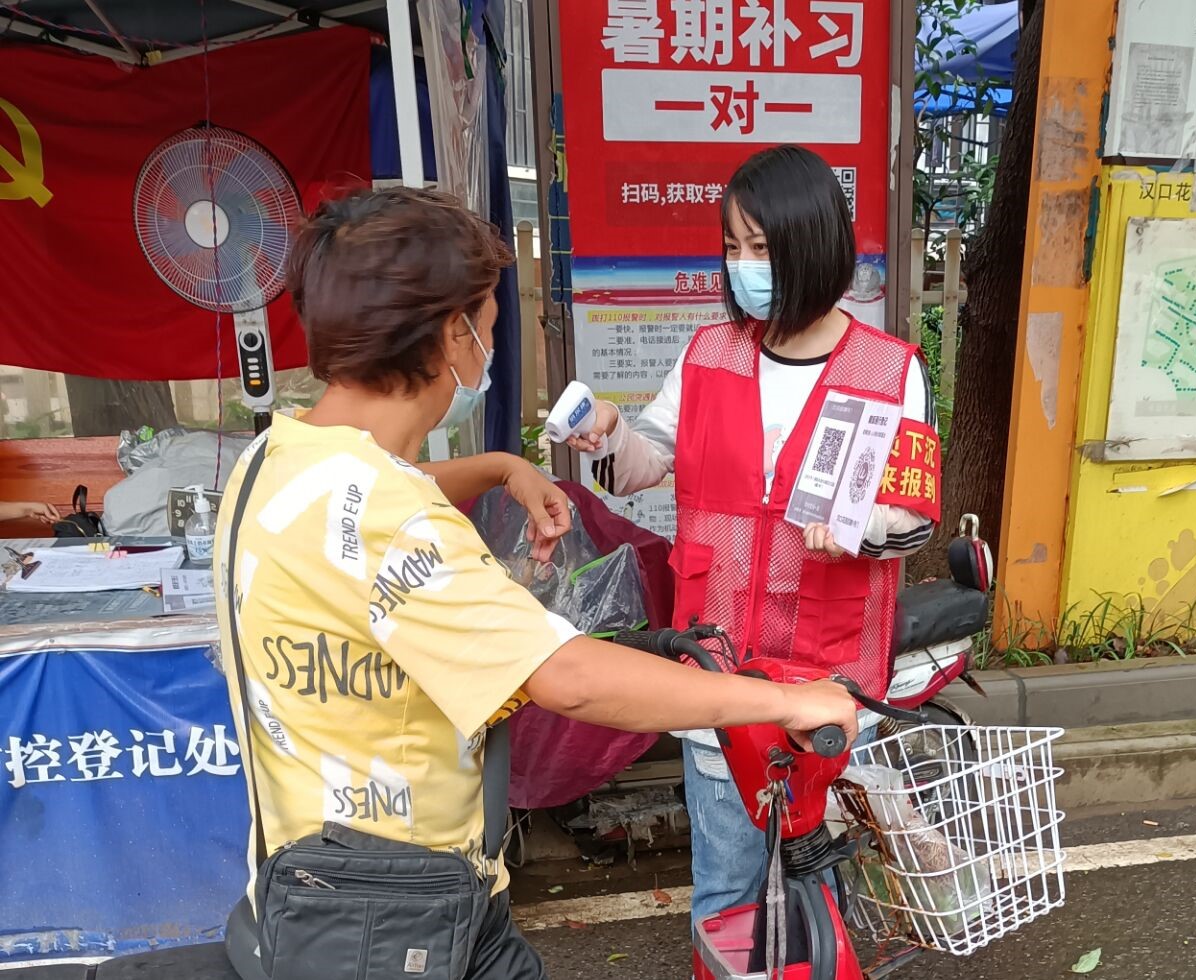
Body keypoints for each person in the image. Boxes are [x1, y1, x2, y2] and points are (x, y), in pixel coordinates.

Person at [214, 186, 857, 979]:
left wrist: (500, 468)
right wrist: (786, 701)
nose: (489, 343)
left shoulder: (274, 463)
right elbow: (571, 678)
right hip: (394, 911)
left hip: (312, 877)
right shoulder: (393, 516)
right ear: (453, 336)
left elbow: (366, 495)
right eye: (487, 325)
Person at [566, 145, 944, 927]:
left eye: (761, 248)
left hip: (832, 674)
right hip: (723, 662)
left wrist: (860, 529)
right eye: (733, 248)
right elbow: (641, 466)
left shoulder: (889, 368)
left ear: (812, 244)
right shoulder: (710, 354)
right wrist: (606, 437)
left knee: (823, 878)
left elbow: (912, 515)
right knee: (728, 886)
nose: (743, 266)